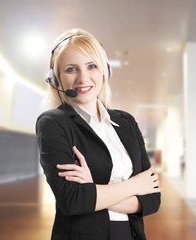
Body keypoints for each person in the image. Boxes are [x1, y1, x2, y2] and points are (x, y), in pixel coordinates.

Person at [36, 28, 161, 240]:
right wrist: (133, 185)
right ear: (55, 79)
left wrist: (92, 190)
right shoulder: (52, 123)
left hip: (131, 234)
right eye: (71, 69)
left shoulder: (126, 122)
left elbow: (152, 200)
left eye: (91, 66)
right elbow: (72, 200)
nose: (83, 78)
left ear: (105, 71)